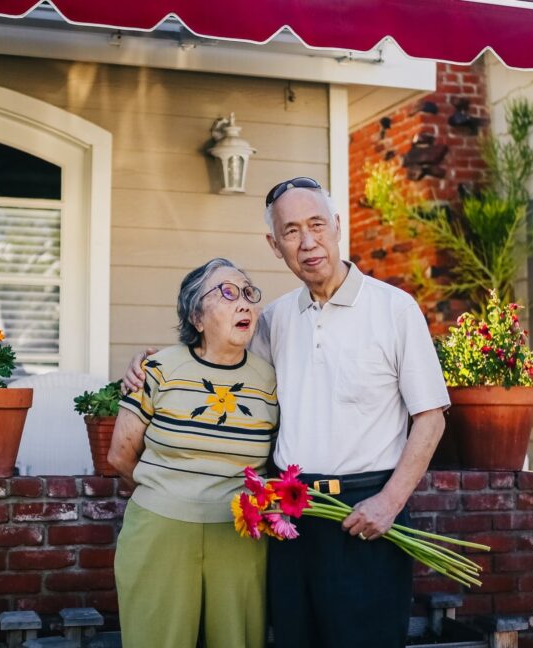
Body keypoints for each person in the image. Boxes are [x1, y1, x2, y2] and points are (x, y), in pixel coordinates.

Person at [122, 178, 448, 648]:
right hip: (291, 514)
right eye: (291, 231)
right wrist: (149, 365)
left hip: (367, 510)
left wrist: (390, 502)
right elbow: (222, 364)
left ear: (337, 226)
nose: (308, 241)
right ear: (275, 246)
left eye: (317, 224)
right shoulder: (273, 319)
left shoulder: (394, 309)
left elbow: (431, 417)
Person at [109, 257, 279, 648]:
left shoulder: (271, 380)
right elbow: (120, 456)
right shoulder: (156, 368)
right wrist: (170, 494)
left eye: (248, 293)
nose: (244, 304)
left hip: (239, 536)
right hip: (160, 532)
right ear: (196, 316)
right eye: (227, 292)